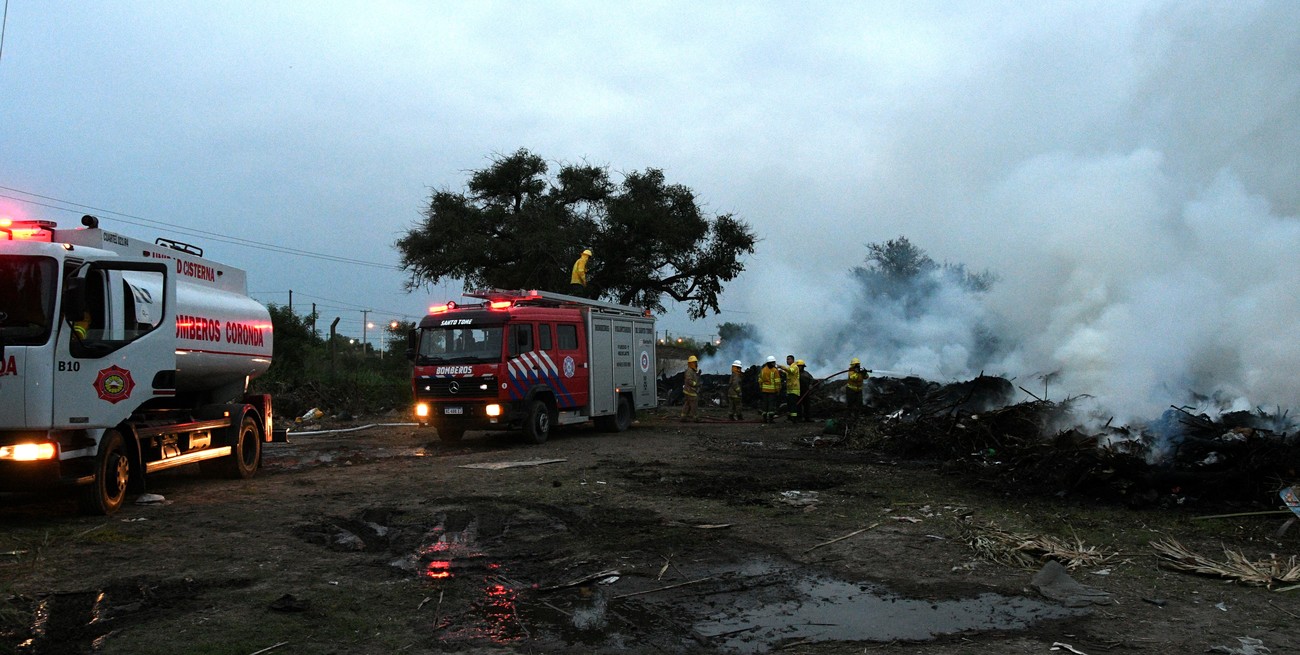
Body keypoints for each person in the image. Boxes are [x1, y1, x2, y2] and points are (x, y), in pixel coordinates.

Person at [758, 356, 782, 423]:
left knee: (765, 405)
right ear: (771, 363)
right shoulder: (775, 370)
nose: (774, 364)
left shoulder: (763, 370)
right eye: (774, 362)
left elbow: (760, 380)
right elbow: (777, 381)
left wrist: (761, 387)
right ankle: (770, 419)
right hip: (772, 391)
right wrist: (778, 390)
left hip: (764, 390)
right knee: (771, 405)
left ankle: (764, 419)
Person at [680, 354, 701, 421]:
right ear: (691, 363)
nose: (696, 364)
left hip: (689, 391)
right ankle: (695, 418)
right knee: (694, 404)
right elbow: (689, 380)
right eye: (695, 362)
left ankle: (683, 417)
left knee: (687, 404)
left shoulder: (692, 371)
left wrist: (698, 375)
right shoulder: (689, 371)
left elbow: (694, 378)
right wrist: (696, 384)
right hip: (690, 391)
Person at [785, 355, 801, 422]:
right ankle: (790, 418)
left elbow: (790, 371)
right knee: (790, 405)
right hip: (790, 390)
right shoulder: (791, 367)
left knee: (793, 405)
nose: (787, 360)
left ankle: (794, 419)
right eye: (787, 359)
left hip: (794, 389)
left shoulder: (794, 367)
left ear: (792, 360)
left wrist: (782, 367)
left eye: (788, 359)